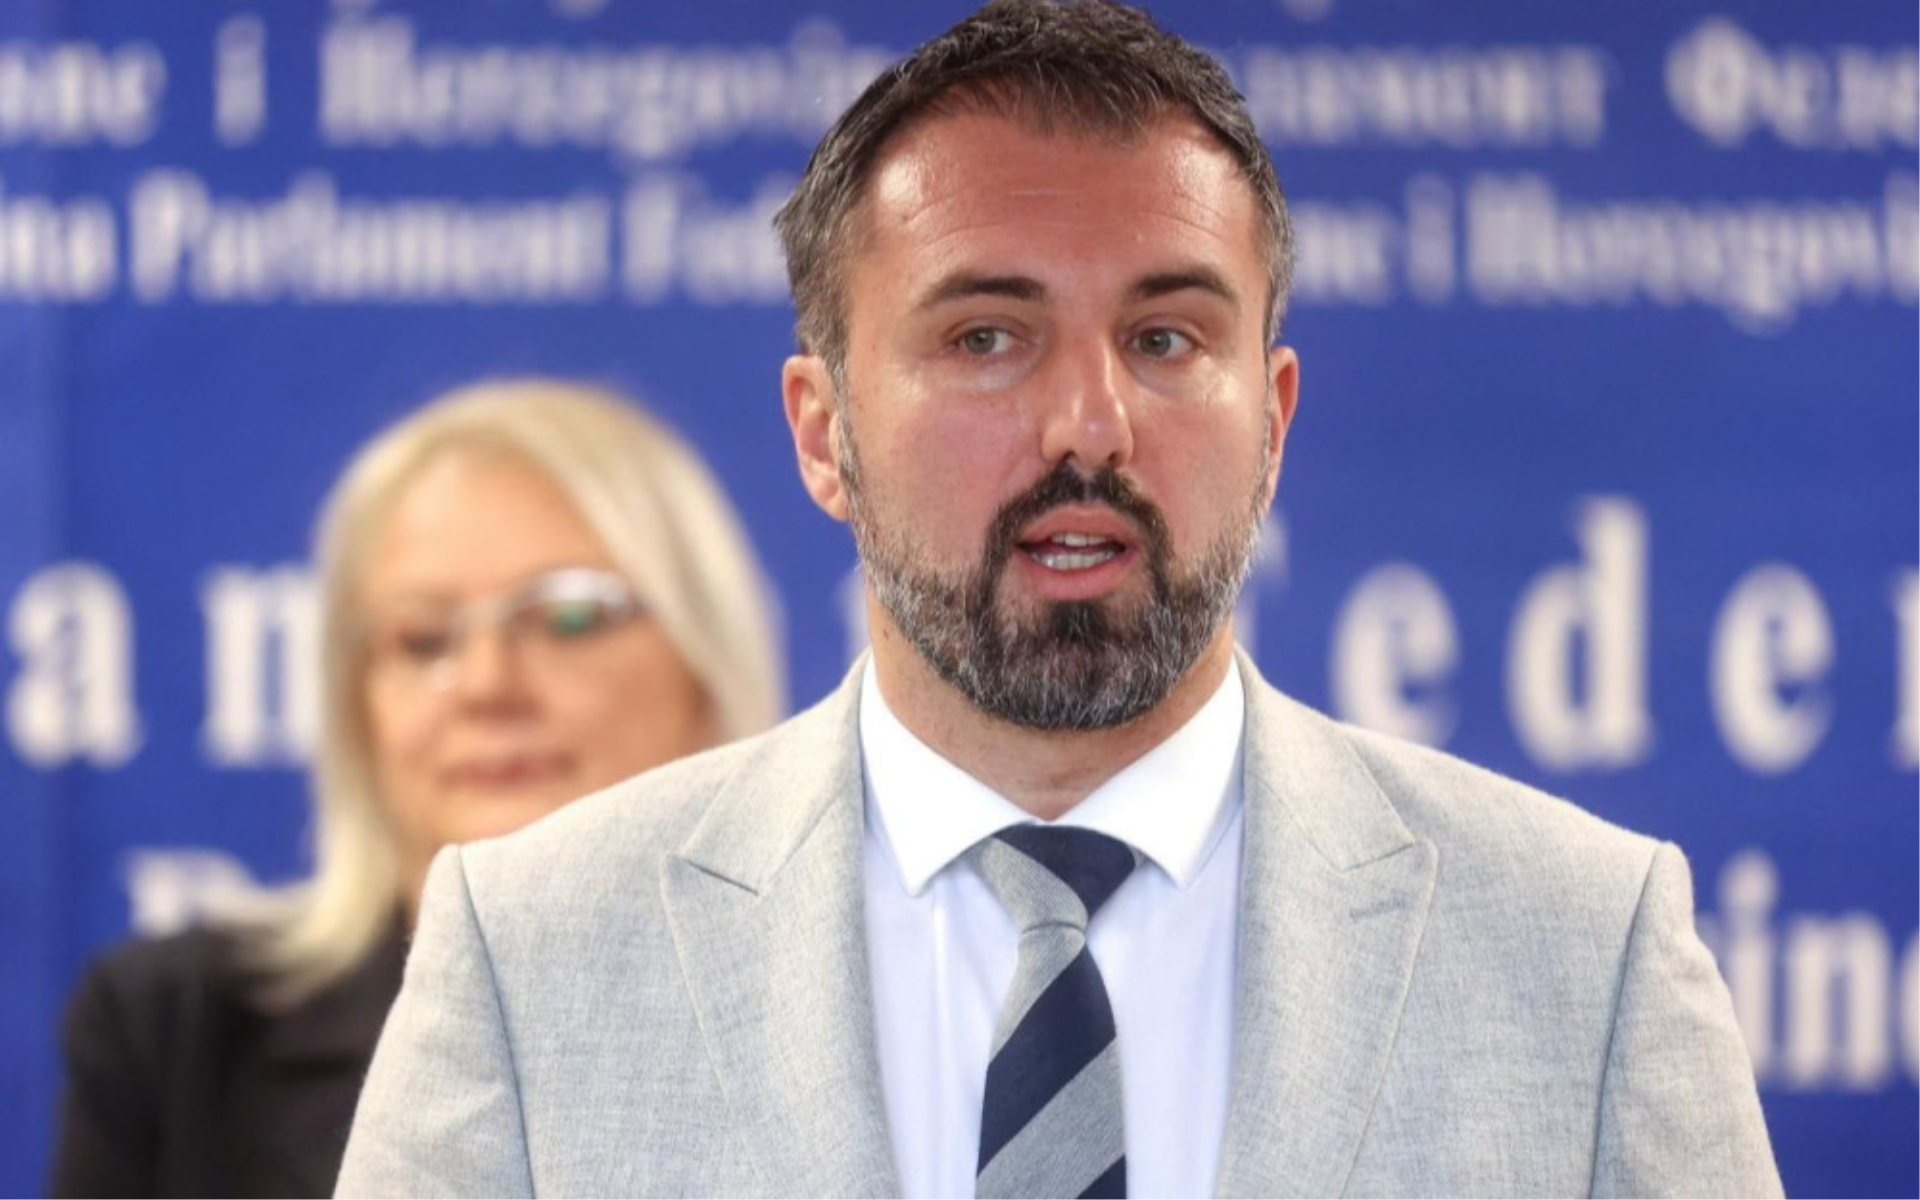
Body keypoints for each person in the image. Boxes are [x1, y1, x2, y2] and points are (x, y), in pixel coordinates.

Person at [337, 3, 1783, 1197]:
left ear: (1275, 422)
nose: (1090, 424)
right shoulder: (532, 958)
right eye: (987, 337)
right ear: (822, 435)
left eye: (1165, 338)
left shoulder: (1585, 951)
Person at [47, 379, 783, 1200]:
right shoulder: (173, 1034)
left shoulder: (828, 1007)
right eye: (423, 638)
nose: (487, 684)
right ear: (358, 709)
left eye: (568, 617)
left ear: (705, 666)